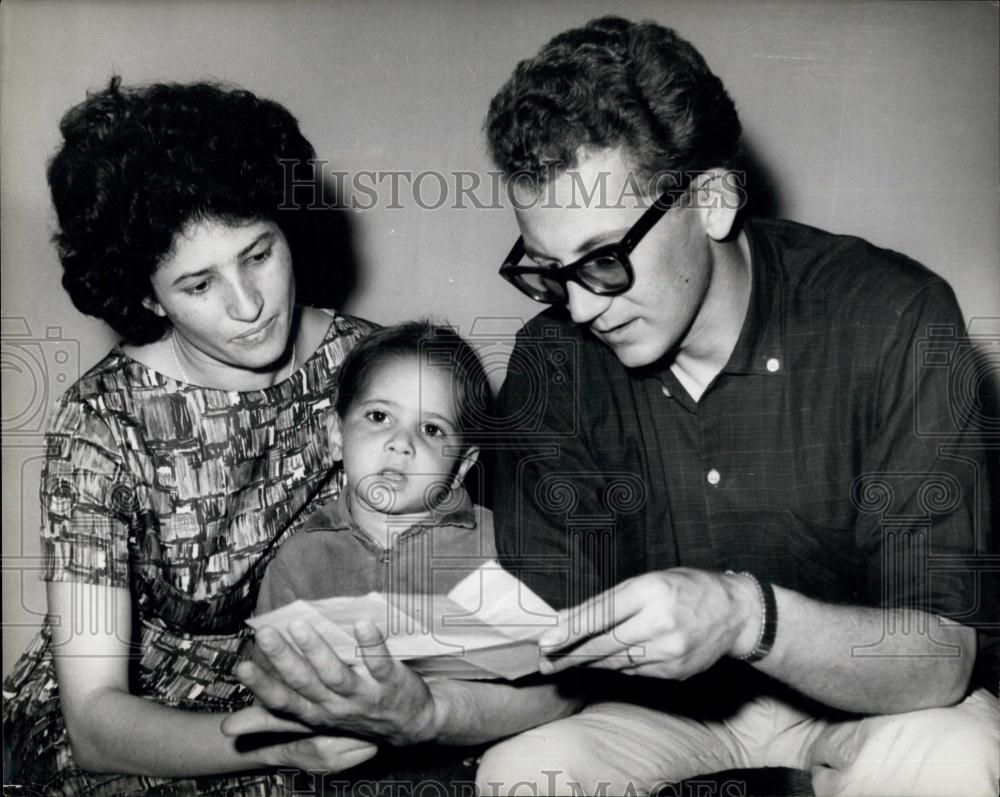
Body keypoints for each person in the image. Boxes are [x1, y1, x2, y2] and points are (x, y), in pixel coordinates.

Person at [229, 16, 998, 797]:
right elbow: (550, 655)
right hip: (657, 711)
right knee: (524, 777)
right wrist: (422, 710)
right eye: (548, 272)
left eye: (603, 261)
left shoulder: (890, 318)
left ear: (713, 199)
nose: (581, 308)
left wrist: (744, 615)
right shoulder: (553, 358)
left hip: (863, 697)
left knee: (953, 759)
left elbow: (940, 654)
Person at [1, 77, 380, 795]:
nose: (248, 306)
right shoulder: (100, 424)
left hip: (317, 707)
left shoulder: (379, 374)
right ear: (147, 296)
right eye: (198, 285)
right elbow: (94, 717)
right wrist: (278, 746)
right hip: (139, 741)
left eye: (259, 253)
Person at [254, 320, 497, 617]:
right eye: (379, 416)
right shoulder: (299, 561)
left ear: (461, 465)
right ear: (336, 436)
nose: (401, 442)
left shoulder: (496, 548)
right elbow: (273, 661)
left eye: (431, 429)